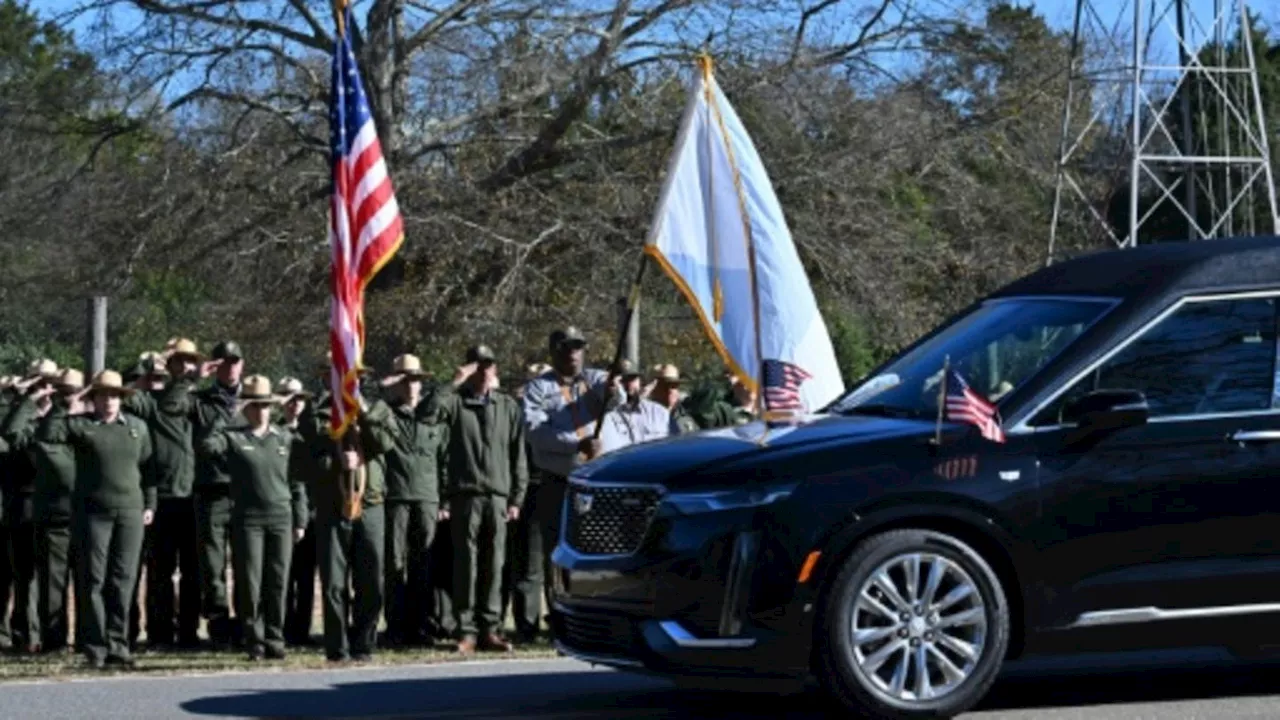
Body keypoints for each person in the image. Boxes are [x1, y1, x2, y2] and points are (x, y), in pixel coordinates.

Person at [37, 370, 154, 669]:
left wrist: (150, 503)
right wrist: (65, 404)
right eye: (103, 395)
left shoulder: (137, 428)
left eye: (114, 395)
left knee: (124, 580)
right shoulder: (81, 426)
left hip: (130, 512)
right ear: (94, 399)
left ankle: (119, 645)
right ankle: (95, 646)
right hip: (93, 513)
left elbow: (150, 469)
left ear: (121, 399)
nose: (109, 401)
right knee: (93, 581)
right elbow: (48, 435)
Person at [518, 327, 620, 638]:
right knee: (559, 554)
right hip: (560, 482)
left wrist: (614, 391)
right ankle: (561, 620)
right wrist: (574, 444)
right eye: (566, 348)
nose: (572, 354)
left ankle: (600, 619)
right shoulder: (538, 388)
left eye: (577, 347)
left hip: (599, 484)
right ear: (554, 351)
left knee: (601, 552)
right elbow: (534, 430)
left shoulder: (597, 379)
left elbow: (615, 400)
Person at [199, 375, 307, 661]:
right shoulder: (234, 437)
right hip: (248, 518)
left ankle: (275, 636)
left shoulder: (284, 437)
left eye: (265, 406)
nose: (260, 411)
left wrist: (301, 519)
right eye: (254, 406)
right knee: (250, 582)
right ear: (246, 408)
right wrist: (230, 416)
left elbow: (297, 482)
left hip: (281, 517)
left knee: (278, 580)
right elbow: (208, 447)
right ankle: (254, 639)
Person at [438, 344, 529, 654]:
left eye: (488, 365)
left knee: (496, 565)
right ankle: (466, 630)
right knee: (466, 564)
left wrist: (517, 497)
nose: (483, 372)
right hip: (465, 496)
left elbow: (519, 455)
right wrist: (452, 382)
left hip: (498, 498)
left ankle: (491, 628)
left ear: (495, 370)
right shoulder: (454, 403)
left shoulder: (507, 406)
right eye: (476, 366)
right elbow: (427, 413)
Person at [123, 340, 205, 651]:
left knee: (193, 571)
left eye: (190, 361)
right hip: (162, 496)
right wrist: (146, 369)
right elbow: (127, 392)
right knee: (160, 570)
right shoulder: (153, 402)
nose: (186, 366)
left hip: (192, 497)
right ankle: (159, 633)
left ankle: (188, 632)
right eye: (179, 361)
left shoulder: (194, 400)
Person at [1, 368, 85, 655]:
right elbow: (11, 433)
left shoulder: (84, 421)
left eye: (66, 390)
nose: (59, 394)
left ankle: (82, 639)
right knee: (33, 580)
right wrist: (29, 398)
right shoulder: (33, 424)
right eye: (52, 387)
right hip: (33, 508)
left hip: (80, 509)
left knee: (85, 580)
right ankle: (36, 636)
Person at [309, 368, 390, 663]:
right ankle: (337, 647)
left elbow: (385, 443)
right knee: (334, 582)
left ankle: (364, 643)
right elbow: (308, 460)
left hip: (370, 504)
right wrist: (336, 461)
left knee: (371, 578)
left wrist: (363, 411)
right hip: (333, 504)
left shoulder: (379, 408)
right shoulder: (318, 413)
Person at [370, 354, 447, 648]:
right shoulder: (386, 412)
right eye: (405, 380)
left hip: (428, 498)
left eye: (416, 379)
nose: (411, 385)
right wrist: (381, 389)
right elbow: (368, 416)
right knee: (394, 563)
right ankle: (396, 626)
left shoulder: (432, 413)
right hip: (396, 497)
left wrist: (444, 500)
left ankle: (422, 625)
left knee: (424, 563)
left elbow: (442, 458)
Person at [2, 358, 61, 654]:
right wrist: (23, 400)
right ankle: (22, 634)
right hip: (22, 503)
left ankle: (45, 635)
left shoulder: (61, 414)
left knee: (49, 576)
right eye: (38, 382)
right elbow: (9, 435)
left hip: (53, 505)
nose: (45, 389)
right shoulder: (18, 415)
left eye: (49, 382)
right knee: (22, 575)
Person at [277, 376, 319, 647]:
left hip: (313, 511)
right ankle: (282, 628)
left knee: (305, 577)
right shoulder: (273, 430)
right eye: (289, 398)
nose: (295, 404)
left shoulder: (312, 432)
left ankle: (302, 631)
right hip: (283, 510)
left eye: (299, 398)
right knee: (283, 575)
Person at [598, 359, 671, 454]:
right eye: (623, 380)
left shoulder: (659, 413)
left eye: (633, 379)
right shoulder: (604, 416)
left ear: (640, 381)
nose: (629, 385)